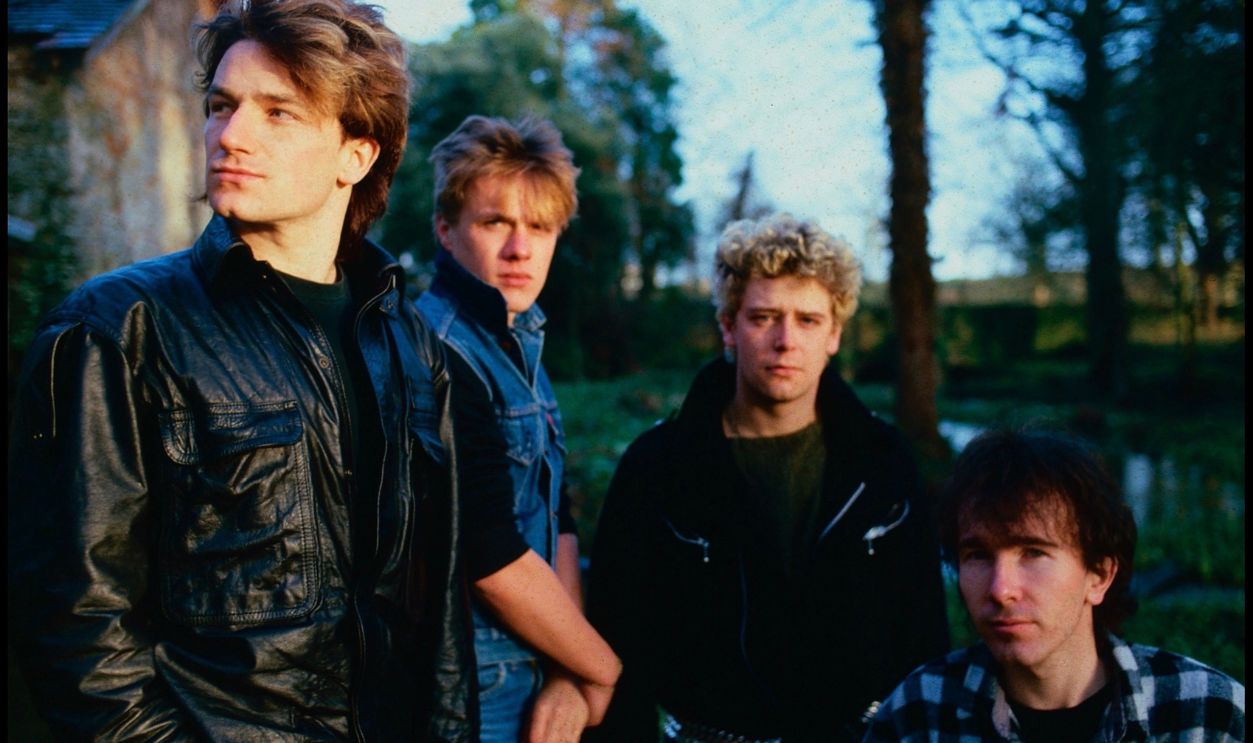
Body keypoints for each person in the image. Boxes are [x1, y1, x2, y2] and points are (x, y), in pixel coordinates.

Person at [7, 1, 486, 739]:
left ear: (355, 155)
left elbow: (438, 615)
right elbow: (74, 628)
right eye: (221, 106)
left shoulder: (413, 350)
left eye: (278, 113)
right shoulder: (116, 329)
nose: (230, 135)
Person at [584, 213, 951, 742]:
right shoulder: (658, 466)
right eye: (763, 317)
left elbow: (923, 637)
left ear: (834, 335)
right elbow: (616, 642)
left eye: (807, 320)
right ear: (729, 327)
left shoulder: (882, 461)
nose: (785, 340)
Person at [417, 114, 621, 743]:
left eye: (539, 227)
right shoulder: (436, 350)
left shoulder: (519, 340)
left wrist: (566, 672)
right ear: (445, 232)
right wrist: (601, 668)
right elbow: (488, 552)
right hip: (472, 693)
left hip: (534, 673)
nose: (520, 249)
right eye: (494, 222)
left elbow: (556, 514)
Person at [863, 428, 1246, 742]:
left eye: (1033, 553)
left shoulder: (1207, 717)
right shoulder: (917, 717)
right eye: (978, 555)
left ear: (1099, 575)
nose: (1000, 589)